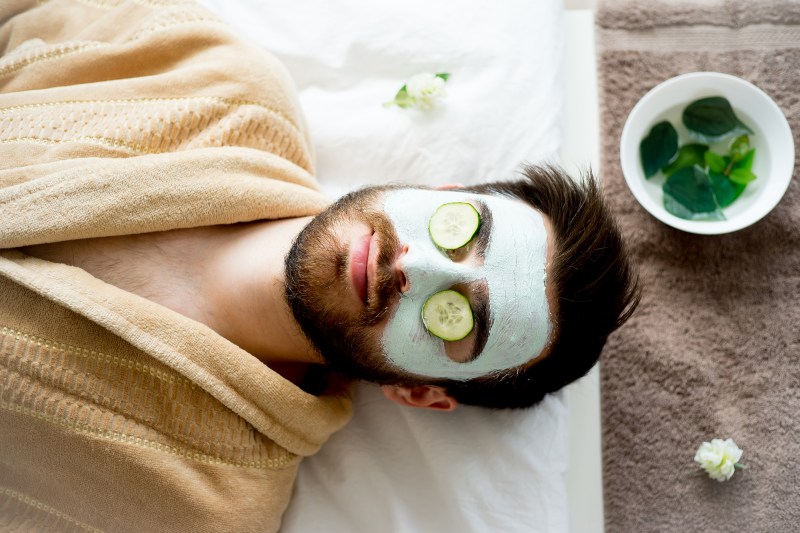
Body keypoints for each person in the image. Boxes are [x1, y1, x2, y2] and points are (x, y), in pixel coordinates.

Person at [0, 1, 637, 531]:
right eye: (462, 231)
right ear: (441, 194)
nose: (416, 265)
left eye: (458, 317)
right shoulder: (217, 80)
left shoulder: (210, 505)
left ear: (417, 392)